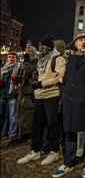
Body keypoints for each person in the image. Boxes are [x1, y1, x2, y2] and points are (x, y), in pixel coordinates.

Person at [51, 33, 85, 177]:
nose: (84, 42)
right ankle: (68, 162)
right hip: (71, 100)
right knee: (70, 132)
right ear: (76, 44)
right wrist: (64, 85)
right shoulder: (72, 59)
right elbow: (71, 76)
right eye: (81, 40)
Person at [17, 35, 66, 166]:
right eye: (40, 46)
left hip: (52, 95)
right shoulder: (40, 60)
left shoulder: (58, 59)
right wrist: (35, 82)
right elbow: (37, 74)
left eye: (43, 46)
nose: (41, 48)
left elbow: (59, 78)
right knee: (36, 125)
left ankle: (54, 151)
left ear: (49, 47)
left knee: (52, 125)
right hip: (39, 96)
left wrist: (41, 84)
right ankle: (35, 149)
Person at [0, 51, 21, 141]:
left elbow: (21, 79)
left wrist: (17, 84)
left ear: (16, 59)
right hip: (2, 94)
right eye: (9, 57)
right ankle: (2, 133)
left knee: (12, 116)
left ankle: (12, 133)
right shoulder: (3, 69)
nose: (11, 58)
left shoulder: (18, 67)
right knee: (2, 116)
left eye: (13, 57)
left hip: (12, 94)